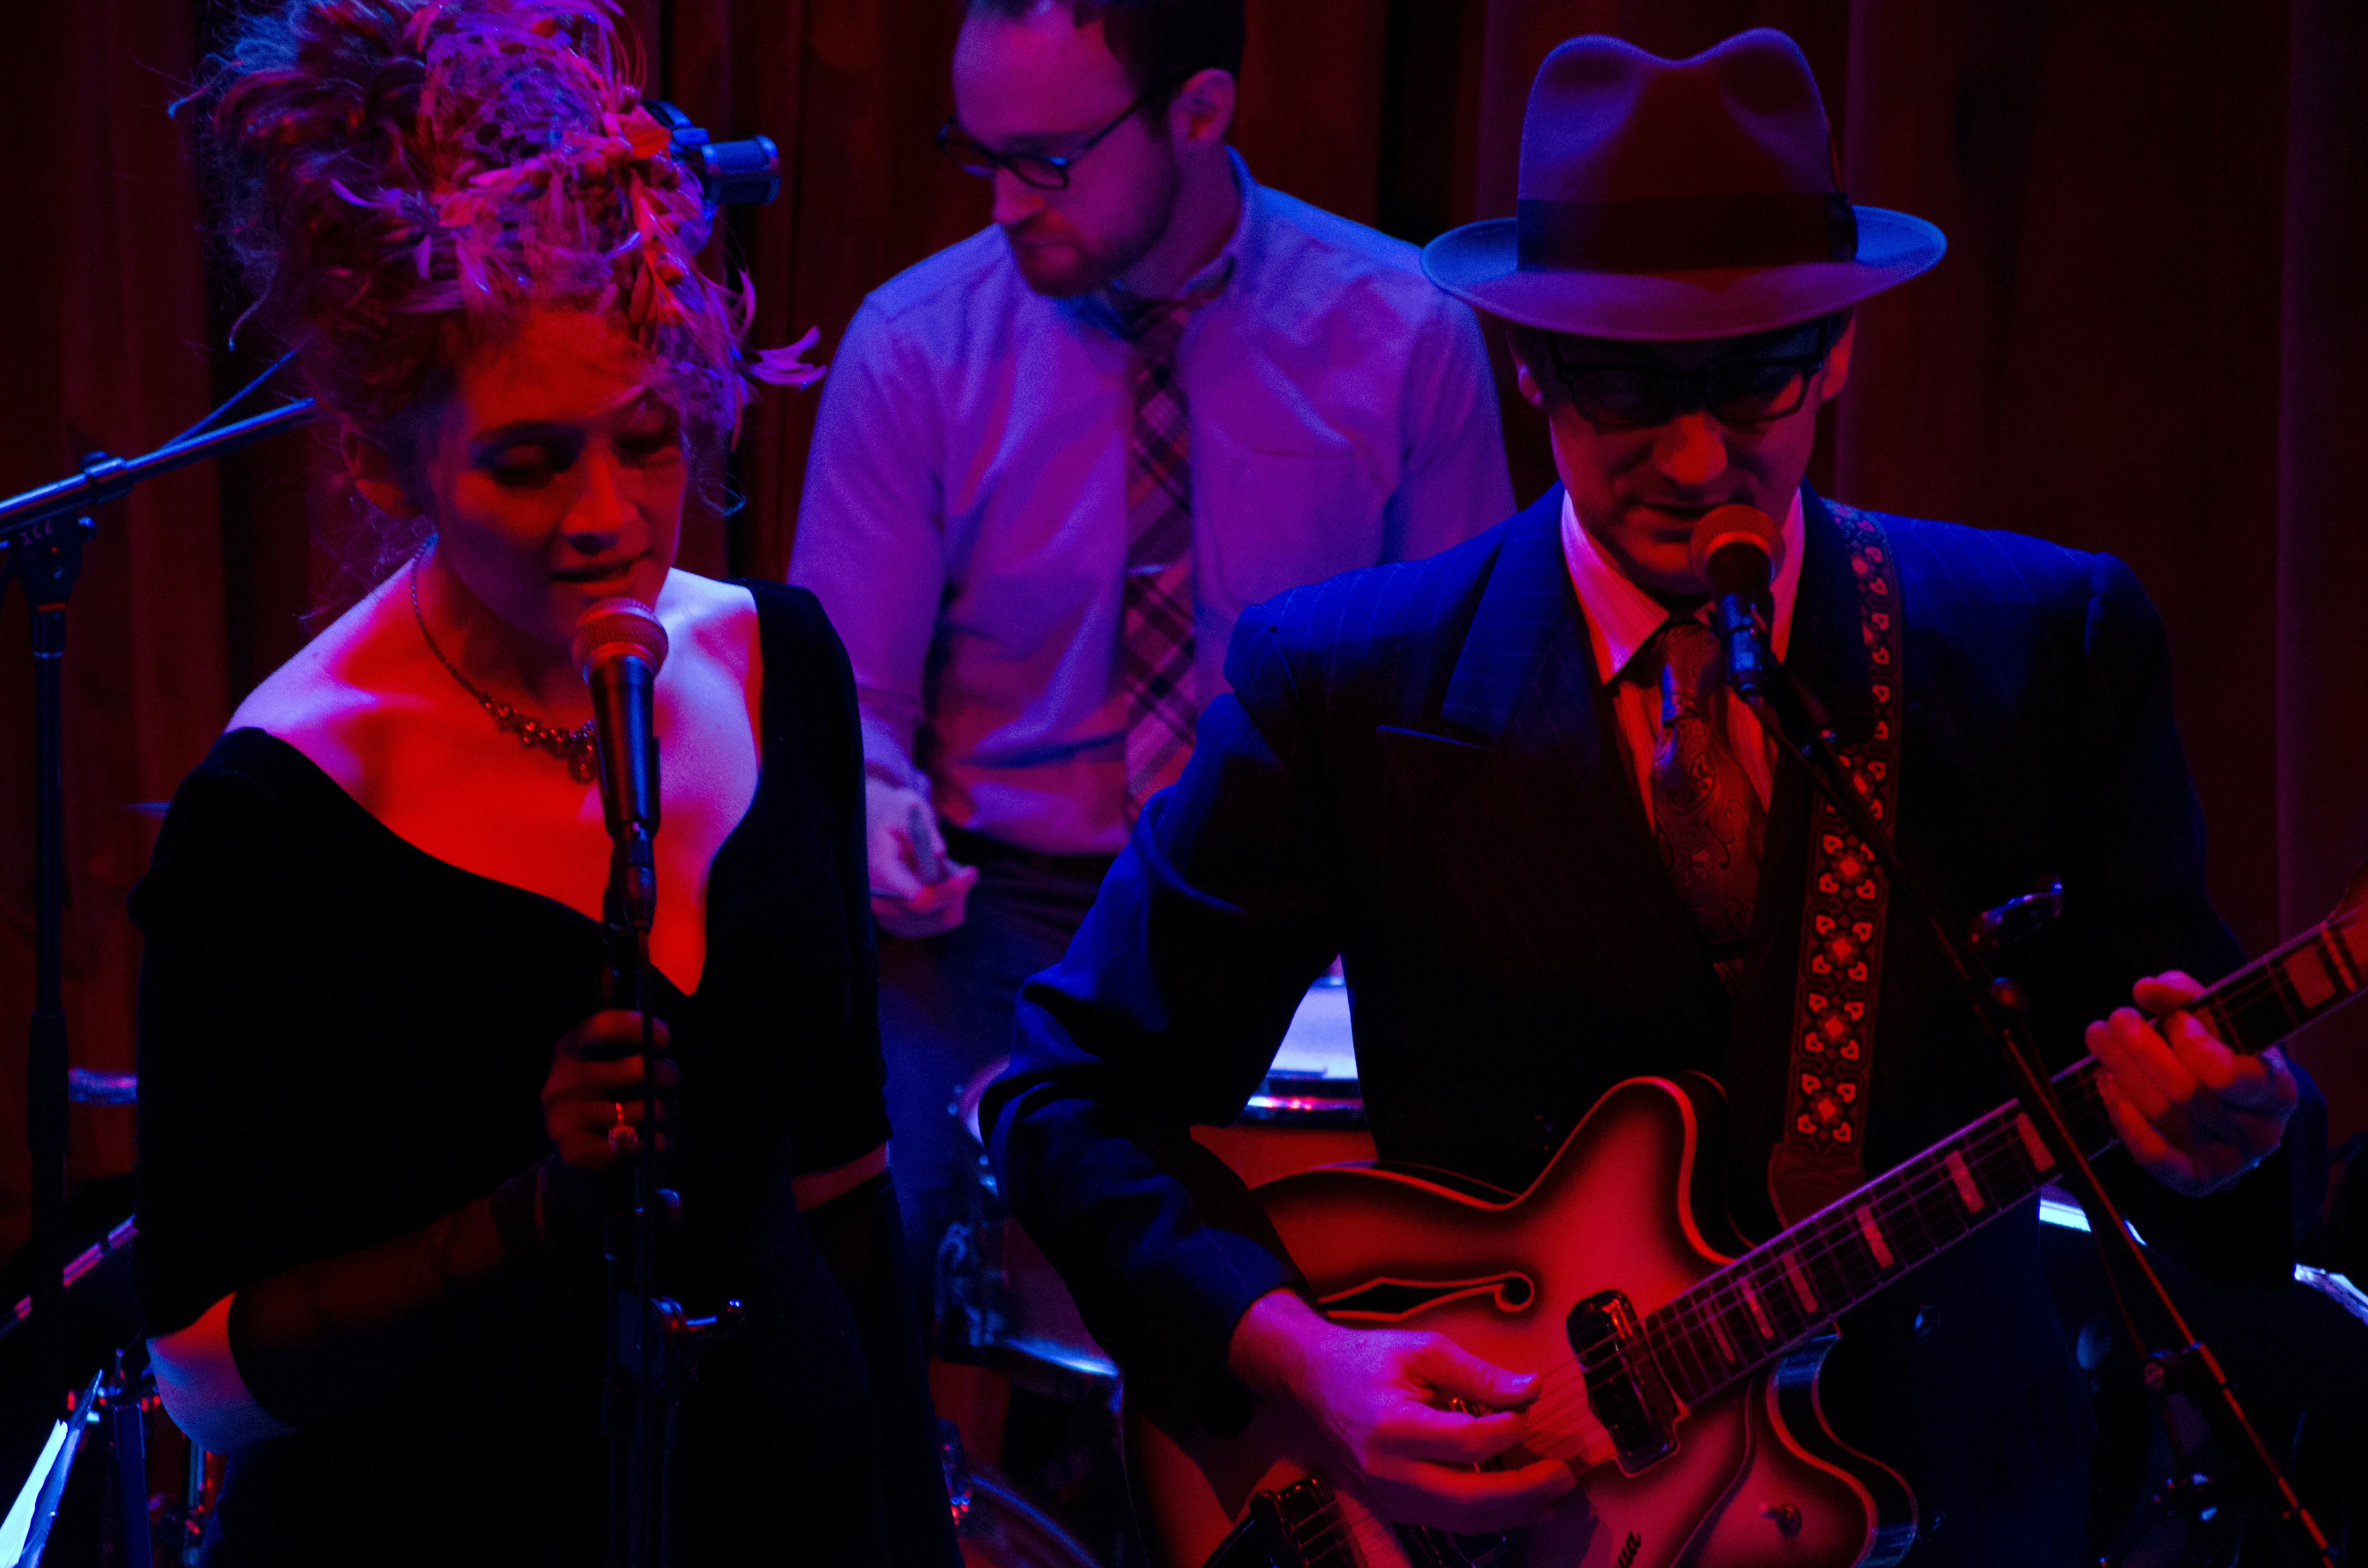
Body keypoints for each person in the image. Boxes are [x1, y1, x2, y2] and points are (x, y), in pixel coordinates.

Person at [982, 29, 2318, 1565]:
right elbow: (1064, 1099)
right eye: (1625, 387)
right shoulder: (1347, 684)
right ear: (1529, 363)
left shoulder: (2042, 646)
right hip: (1524, 1528)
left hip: (1955, 1512)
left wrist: (2229, 1137)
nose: (1695, 461)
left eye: (1753, 380)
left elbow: (2197, 1113)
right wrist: (1300, 1363)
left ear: (1837, 351)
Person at [133, 4, 952, 1563]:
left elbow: (845, 1185)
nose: (609, 517)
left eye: (648, 440)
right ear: (383, 463)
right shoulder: (284, 805)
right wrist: (532, 1222)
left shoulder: (782, 661)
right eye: (527, 463)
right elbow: (203, 1377)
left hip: (787, 1507)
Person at [787, 0, 1515, 1303]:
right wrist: (880, 804)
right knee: (862, 1234)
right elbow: (846, 715)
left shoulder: (1406, 330)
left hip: (1300, 904)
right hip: (1004, 915)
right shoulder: (915, 345)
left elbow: (1462, 708)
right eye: (982, 156)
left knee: (1474, 1213)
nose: (1005, 204)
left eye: (1047, 161)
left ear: (1199, 111)